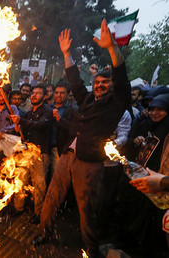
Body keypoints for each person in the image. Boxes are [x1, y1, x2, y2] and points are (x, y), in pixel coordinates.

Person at [34, 20, 131, 258]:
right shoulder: (86, 100)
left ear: (110, 87)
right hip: (68, 156)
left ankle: (92, 250)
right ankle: (44, 232)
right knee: (52, 197)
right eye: (97, 82)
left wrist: (111, 49)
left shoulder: (116, 104)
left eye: (104, 83)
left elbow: (121, 79)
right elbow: (75, 80)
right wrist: (66, 54)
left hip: (90, 163)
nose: (99, 85)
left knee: (87, 209)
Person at [17, 85, 53, 222]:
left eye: (38, 93)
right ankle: (18, 208)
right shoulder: (28, 112)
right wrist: (18, 128)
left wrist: (21, 121)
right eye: (33, 93)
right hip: (26, 152)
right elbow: (25, 130)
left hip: (40, 153)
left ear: (44, 97)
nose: (34, 95)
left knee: (39, 185)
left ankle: (39, 213)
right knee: (20, 180)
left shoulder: (48, 112)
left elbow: (40, 125)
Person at [49, 82, 75, 182]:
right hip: (46, 148)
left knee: (57, 178)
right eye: (56, 92)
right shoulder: (47, 108)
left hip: (60, 149)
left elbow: (73, 129)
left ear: (68, 94)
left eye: (62, 93)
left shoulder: (72, 110)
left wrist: (60, 119)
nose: (58, 95)